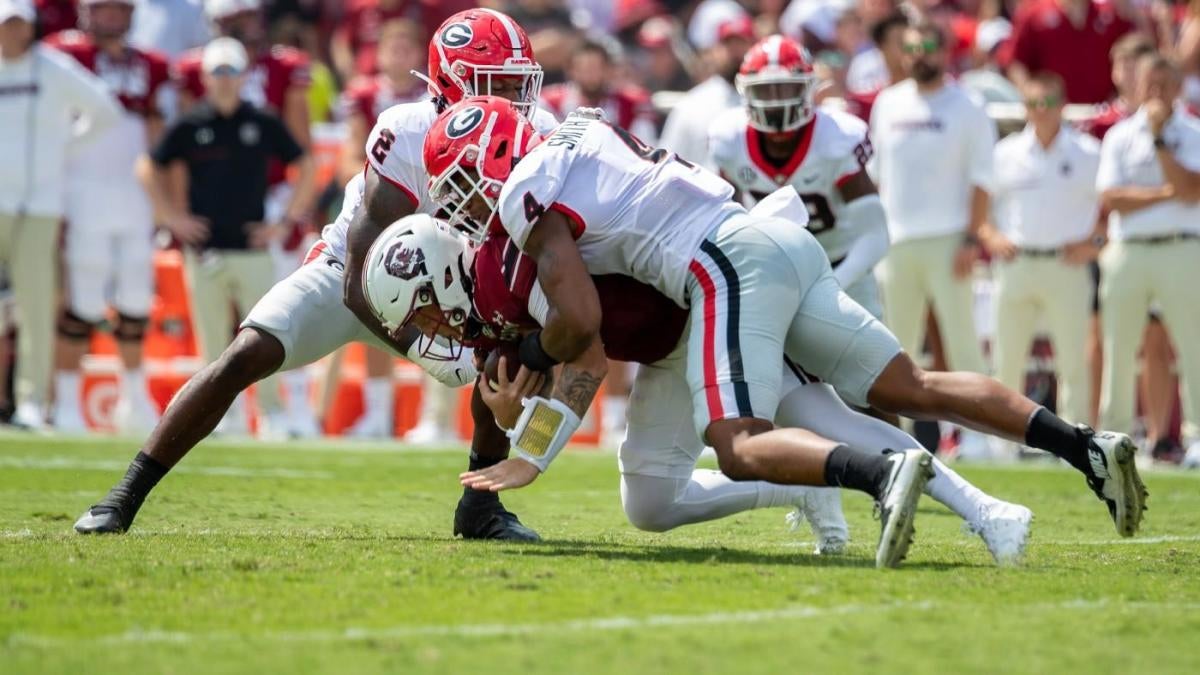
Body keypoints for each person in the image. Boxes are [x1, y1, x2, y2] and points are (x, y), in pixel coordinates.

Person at [423, 97, 1147, 568]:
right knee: (911, 386)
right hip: (769, 236)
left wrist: (523, 359)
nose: (466, 203)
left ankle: (880, 474)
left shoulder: (525, 201)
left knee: (738, 443)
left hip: (721, 264)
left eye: (462, 182)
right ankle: (1080, 447)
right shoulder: (580, 125)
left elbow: (581, 326)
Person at [72, 8, 551, 542]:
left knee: (503, 355)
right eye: (496, 84)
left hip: (453, 279)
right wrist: (424, 347)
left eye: (518, 82)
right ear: (449, 84)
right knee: (245, 353)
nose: (513, 98)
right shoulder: (408, 131)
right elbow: (358, 278)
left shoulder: (539, 134)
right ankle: (124, 495)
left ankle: (480, 510)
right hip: (350, 273)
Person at [368, 208, 1035, 565]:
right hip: (668, 348)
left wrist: (531, 450)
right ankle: (805, 488)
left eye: (424, 310)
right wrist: (517, 417)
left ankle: (989, 514)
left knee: (839, 420)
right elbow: (563, 365)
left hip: (714, 314)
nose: (429, 329)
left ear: (441, 277)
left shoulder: (510, 261)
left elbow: (587, 363)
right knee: (651, 504)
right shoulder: (488, 286)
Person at [138, 37, 314, 437]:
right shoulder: (191, 123)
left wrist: (283, 223)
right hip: (204, 250)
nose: (224, 80)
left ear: (243, 76)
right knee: (212, 340)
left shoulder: (262, 120)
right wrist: (173, 219)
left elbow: (306, 164)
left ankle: (272, 414)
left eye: (231, 71)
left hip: (253, 247)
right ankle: (220, 417)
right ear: (204, 77)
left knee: (266, 338)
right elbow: (148, 166)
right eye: (217, 72)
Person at [868, 22, 994, 456]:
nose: (919, 56)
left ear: (945, 52)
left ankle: (980, 437)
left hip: (949, 240)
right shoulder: (887, 103)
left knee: (962, 344)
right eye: (912, 49)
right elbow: (876, 177)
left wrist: (971, 237)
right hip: (897, 243)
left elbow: (983, 180)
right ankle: (896, 441)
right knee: (893, 349)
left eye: (927, 48)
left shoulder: (969, 105)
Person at [46, 0, 170, 434]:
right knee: (81, 299)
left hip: (134, 194)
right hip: (82, 190)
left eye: (120, 8)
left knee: (136, 297)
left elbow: (158, 134)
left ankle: (133, 400)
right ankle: (65, 404)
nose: (112, 17)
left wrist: (163, 200)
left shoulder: (151, 65)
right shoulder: (64, 54)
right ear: (87, 12)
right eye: (104, 8)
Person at [0, 0, 120, 428]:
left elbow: (105, 109)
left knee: (35, 306)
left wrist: (64, 148)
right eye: (5, 26)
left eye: (17, 26)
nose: (11, 35)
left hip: (40, 206)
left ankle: (31, 402)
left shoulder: (52, 68)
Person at [709, 35, 889, 321]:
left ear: (808, 88)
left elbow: (875, 235)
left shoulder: (836, 138)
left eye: (786, 89)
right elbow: (722, 223)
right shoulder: (729, 139)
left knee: (872, 365)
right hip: (773, 274)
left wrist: (833, 285)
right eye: (766, 92)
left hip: (843, 271)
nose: (776, 103)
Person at [982, 72, 1104, 431]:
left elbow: (1109, 209)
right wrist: (991, 237)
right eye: (1033, 103)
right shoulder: (1005, 153)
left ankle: (1078, 444)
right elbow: (982, 210)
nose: (1041, 110)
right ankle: (1003, 443)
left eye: (1048, 102)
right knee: (1006, 359)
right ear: (1024, 108)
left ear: (1062, 105)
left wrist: (1093, 245)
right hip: (1016, 263)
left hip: (1066, 265)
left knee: (1073, 364)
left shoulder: (1088, 153)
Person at [1095, 56, 1200, 466]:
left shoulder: (1193, 132)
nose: (1156, 92)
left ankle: (1196, 436)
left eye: (1164, 84)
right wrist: (1165, 193)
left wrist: (1158, 141)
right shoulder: (1119, 136)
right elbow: (1111, 198)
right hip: (1130, 249)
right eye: (1149, 84)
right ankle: (1114, 435)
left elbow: (1192, 189)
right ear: (1137, 85)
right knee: (1119, 346)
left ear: (1178, 88)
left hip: (1182, 246)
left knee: (1192, 344)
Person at [335, 17, 429, 440]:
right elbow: (350, 156)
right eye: (393, 47)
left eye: (408, 48)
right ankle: (378, 413)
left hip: (427, 212)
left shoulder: (434, 98)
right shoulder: (367, 94)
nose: (399, 56)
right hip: (382, 207)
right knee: (373, 304)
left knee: (437, 312)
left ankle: (434, 418)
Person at [659, 12, 754, 168]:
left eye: (741, 44)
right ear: (714, 51)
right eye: (728, 45)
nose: (734, 53)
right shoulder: (692, 104)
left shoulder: (766, 102)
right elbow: (668, 163)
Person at [1001, 0, 1134, 104]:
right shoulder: (1034, 14)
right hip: (1053, 117)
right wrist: (1036, 100)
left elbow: (1134, 53)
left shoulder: (1109, 13)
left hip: (1101, 116)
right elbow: (1016, 63)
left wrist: (1118, 96)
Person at [540, 37, 658, 145]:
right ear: (571, 71)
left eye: (596, 68)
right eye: (584, 69)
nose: (590, 75)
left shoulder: (631, 105)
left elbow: (644, 148)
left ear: (608, 70)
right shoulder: (549, 103)